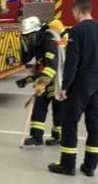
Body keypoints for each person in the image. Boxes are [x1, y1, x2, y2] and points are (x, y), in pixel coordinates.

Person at [49, 0, 98, 177]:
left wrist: (64, 86)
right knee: (95, 125)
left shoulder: (77, 31)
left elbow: (72, 62)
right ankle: (90, 166)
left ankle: (67, 166)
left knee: (70, 123)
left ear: (76, 10)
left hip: (80, 84)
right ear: (89, 9)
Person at [20, 18, 68, 148]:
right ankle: (36, 137)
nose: (28, 39)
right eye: (26, 37)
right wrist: (28, 79)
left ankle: (59, 137)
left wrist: (42, 84)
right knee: (39, 106)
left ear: (36, 32)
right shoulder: (40, 42)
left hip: (59, 80)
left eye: (29, 36)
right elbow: (41, 65)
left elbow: (52, 66)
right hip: (49, 80)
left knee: (58, 110)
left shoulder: (48, 40)